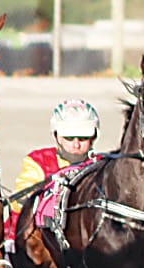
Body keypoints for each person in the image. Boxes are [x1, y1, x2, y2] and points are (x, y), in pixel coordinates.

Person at [6, 99, 100, 236]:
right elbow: (18, 206)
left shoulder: (100, 165)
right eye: (69, 137)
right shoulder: (38, 161)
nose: (76, 144)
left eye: (83, 138)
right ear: (56, 135)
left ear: (94, 137)